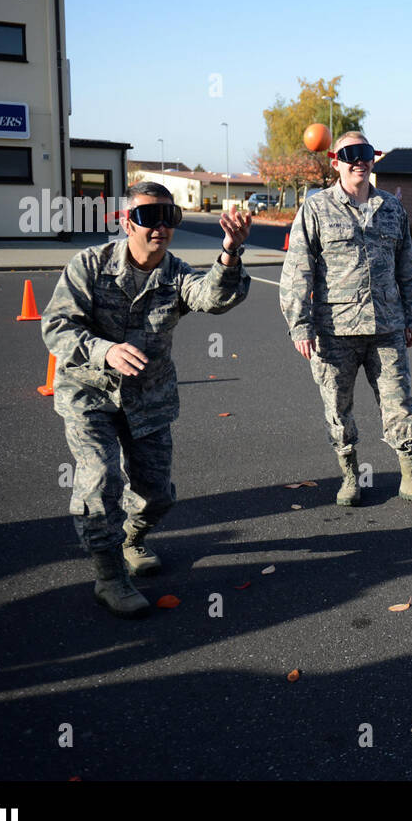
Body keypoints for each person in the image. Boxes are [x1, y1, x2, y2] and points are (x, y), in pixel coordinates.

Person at [42, 182, 251, 618]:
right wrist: (105, 350)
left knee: (157, 495)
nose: (160, 227)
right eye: (148, 216)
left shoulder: (175, 272)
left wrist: (229, 252)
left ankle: (133, 537)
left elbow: (212, 298)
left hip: (148, 398)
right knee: (99, 482)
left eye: (168, 217)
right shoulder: (89, 265)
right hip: (90, 393)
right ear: (125, 221)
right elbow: (56, 327)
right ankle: (110, 577)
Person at [279, 130, 412, 509]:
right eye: (349, 154)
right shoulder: (316, 209)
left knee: (400, 403)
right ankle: (350, 474)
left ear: (373, 158)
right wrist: (300, 325)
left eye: (365, 153)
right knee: (338, 407)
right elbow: (296, 272)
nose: (358, 161)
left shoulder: (391, 208)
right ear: (335, 162)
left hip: (387, 329)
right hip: (335, 332)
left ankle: (411, 477)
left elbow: (407, 266)